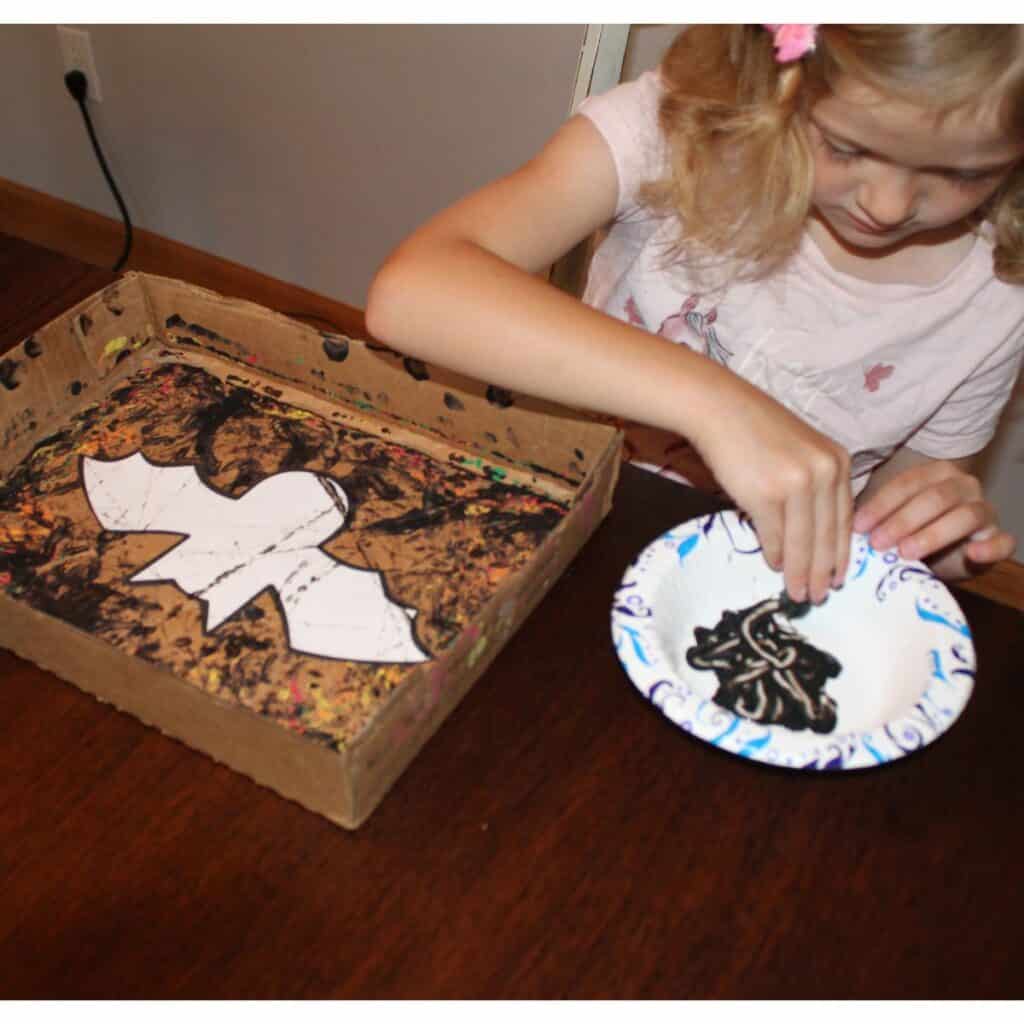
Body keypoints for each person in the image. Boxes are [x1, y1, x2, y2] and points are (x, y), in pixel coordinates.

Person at [366, 24, 1024, 606]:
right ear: (778, 75)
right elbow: (412, 291)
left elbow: (891, 523)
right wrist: (719, 403)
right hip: (552, 521)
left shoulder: (998, 302)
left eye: (963, 174)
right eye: (846, 149)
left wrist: (940, 544)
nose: (886, 204)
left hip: (732, 597)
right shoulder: (672, 130)